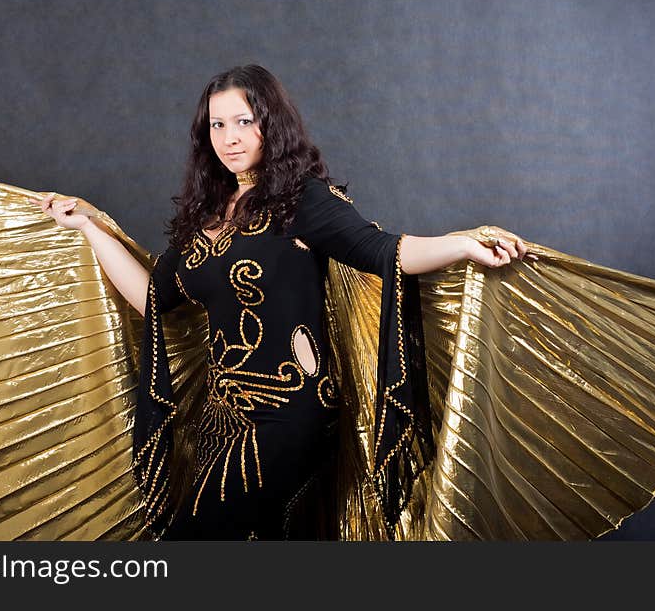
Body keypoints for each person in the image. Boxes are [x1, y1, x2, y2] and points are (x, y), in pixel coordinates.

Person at [31, 64, 534, 539]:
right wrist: (88, 228)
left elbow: (386, 250)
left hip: (289, 414)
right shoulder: (205, 218)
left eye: (245, 122)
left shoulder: (302, 201)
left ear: (271, 125)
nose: (229, 137)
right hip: (221, 421)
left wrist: (463, 242)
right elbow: (152, 300)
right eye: (218, 124)